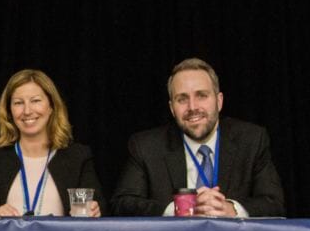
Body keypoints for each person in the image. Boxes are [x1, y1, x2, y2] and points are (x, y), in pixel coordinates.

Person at [111, 58, 284, 217]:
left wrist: (232, 209)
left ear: (219, 101)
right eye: (182, 99)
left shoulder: (251, 140)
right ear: (172, 108)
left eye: (201, 95)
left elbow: (274, 203)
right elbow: (122, 204)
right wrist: (178, 209)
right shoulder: (146, 146)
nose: (192, 107)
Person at [0, 69, 105, 217]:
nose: (27, 111)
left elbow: (99, 209)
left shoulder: (78, 157)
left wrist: (94, 210)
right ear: (9, 111)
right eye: (18, 103)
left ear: (51, 106)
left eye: (36, 101)